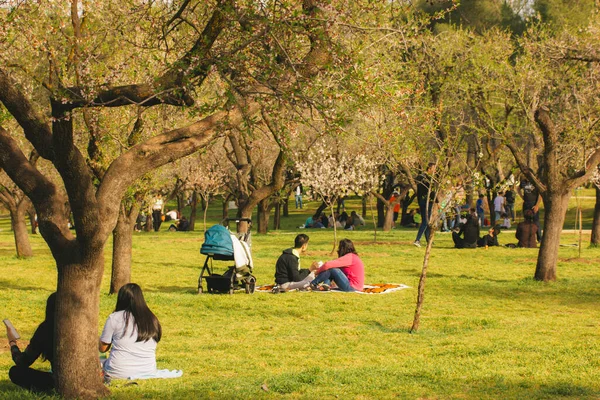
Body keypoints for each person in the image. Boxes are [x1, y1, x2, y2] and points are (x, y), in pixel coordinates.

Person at [100, 283, 162, 380]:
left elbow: (102, 349)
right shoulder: (152, 319)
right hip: (148, 371)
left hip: (117, 372)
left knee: (97, 358)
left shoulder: (115, 318)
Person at [8, 293, 56, 393]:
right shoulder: (83, 328)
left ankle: (44, 390)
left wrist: (12, 342)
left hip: (57, 381)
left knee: (15, 372)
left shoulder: (45, 329)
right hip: (89, 377)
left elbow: (23, 361)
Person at [413, 163, 436, 247]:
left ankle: (428, 240)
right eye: (433, 168)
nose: (435, 170)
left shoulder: (420, 177)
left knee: (426, 221)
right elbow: (431, 191)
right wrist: (436, 200)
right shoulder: (428, 179)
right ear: (429, 169)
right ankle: (417, 240)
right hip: (427, 202)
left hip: (422, 201)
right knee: (425, 222)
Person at [518, 177, 542, 241]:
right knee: (526, 221)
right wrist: (522, 196)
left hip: (533, 203)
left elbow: (540, 194)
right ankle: (528, 238)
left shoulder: (535, 182)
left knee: (536, 221)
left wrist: (537, 205)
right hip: (526, 203)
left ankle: (539, 238)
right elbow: (518, 188)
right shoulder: (523, 181)